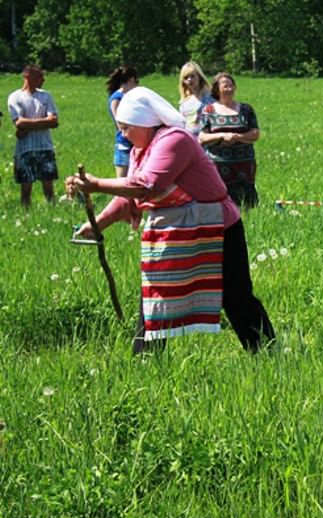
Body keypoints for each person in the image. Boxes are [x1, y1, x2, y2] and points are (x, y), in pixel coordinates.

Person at [65, 87, 274, 355]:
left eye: (127, 128)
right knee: (153, 294)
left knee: (235, 296)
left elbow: (145, 185)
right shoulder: (139, 151)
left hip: (218, 228)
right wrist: (96, 226)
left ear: (144, 122)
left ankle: (265, 351)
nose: (123, 135)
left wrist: (96, 184)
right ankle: (146, 359)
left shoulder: (175, 140)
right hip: (177, 230)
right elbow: (126, 196)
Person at [199, 72, 260, 209]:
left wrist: (237, 137)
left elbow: (255, 133)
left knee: (247, 204)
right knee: (221, 204)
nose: (229, 89)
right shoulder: (208, 110)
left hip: (245, 165)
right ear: (217, 89)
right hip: (218, 166)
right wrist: (222, 136)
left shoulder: (246, 109)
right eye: (225, 86)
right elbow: (202, 137)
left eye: (232, 85)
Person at [7, 65, 59, 208]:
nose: (43, 79)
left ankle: (52, 211)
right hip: (25, 149)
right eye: (39, 76)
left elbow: (54, 121)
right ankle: (26, 215)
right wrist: (44, 123)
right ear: (27, 77)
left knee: (48, 185)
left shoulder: (45, 96)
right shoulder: (15, 97)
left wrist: (27, 126)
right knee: (25, 188)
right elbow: (19, 122)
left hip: (45, 146)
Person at [106, 65, 138, 177]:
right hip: (124, 145)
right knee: (122, 182)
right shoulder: (117, 98)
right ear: (132, 80)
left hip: (135, 143)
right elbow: (120, 123)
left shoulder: (129, 96)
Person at [177, 61, 214, 136]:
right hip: (189, 140)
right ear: (183, 81)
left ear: (199, 77)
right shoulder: (184, 102)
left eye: (192, 76)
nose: (189, 79)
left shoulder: (210, 97)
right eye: (186, 77)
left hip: (207, 140)